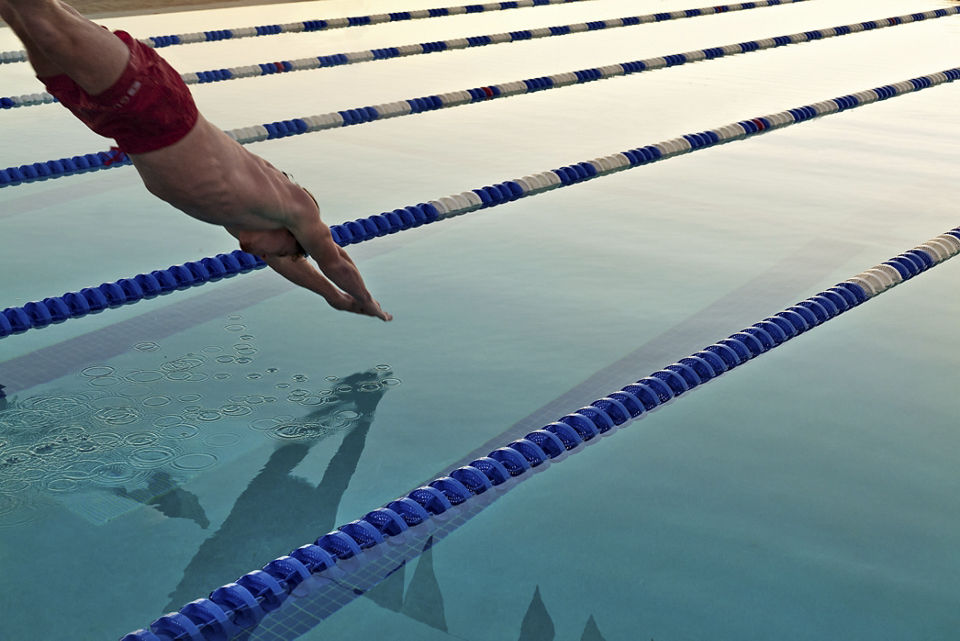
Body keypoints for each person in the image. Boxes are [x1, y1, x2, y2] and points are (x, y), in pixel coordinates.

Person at [0, 0, 392, 321]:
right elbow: (334, 260)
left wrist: (331, 299)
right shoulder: (292, 206)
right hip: (157, 107)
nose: (258, 254)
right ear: (289, 234)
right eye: (278, 251)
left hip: (117, 122)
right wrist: (362, 299)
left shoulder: (234, 218)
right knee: (44, 20)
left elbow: (289, 266)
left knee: (20, 17)